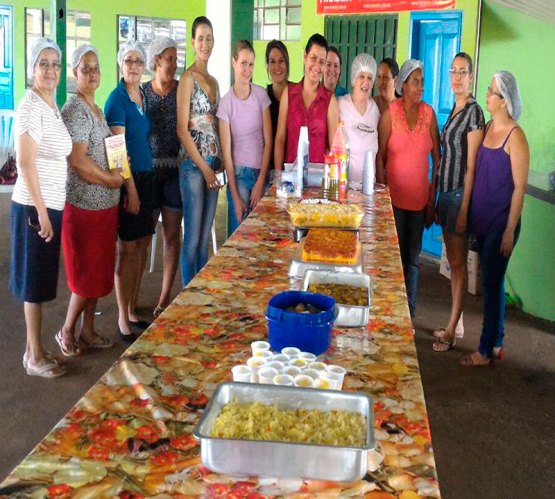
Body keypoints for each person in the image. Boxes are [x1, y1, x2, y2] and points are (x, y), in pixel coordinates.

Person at [10, 38, 71, 377]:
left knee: (40, 279)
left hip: (49, 204)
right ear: (32, 69)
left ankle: (35, 350)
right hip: (35, 207)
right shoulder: (30, 105)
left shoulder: (50, 104)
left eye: (55, 65)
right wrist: (43, 213)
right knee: (33, 282)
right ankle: (34, 356)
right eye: (43, 64)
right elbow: (25, 162)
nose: (50, 70)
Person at [58, 45, 123, 356]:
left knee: (97, 272)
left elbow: (112, 149)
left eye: (96, 67)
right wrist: (112, 180)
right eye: (86, 68)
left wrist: (121, 180)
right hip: (85, 207)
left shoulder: (95, 109)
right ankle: (67, 330)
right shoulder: (74, 110)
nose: (93, 73)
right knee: (85, 275)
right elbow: (79, 161)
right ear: (75, 73)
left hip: (104, 206)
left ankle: (88, 330)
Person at [461, 71, 529, 366]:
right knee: (495, 282)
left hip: (503, 224)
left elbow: (519, 189)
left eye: (491, 92)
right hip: (483, 221)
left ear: (504, 101)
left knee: (489, 285)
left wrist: (509, 231)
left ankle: (485, 351)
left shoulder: (517, 137)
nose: (486, 95)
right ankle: (498, 340)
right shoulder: (488, 127)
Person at [376, 59, 440, 318]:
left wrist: (432, 198)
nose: (420, 86)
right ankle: (391, 312)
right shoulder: (390, 113)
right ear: (403, 84)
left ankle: (409, 315)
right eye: (415, 81)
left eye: (422, 81)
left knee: (412, 262)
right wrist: (381, 199)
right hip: (393, 202)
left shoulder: (429, 114)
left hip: (419, 202)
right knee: (392, 261)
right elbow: (380, 157)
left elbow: (437, 158)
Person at [432, 53, 484, 352]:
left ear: (471, 76)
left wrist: (465, 207)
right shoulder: (455, 108)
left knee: (458, 265)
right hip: (447, 194)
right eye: (453, 71)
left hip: (459, 195)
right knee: (453, 263)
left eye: (463, 72)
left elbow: (473, 165)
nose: (457, 77)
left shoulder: (474, 112)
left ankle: (452, 331)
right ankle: (456, 322)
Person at [105, 40, 154, 342]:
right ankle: (123, 319)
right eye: (129, 60)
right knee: (126, 250)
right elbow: (116, 152)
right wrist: (131, 190)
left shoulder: (141, 95)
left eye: (138, 61)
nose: (134, 65)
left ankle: (133, 310)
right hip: (129, 181)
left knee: (141, 246)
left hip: (146, 175)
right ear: (121, 65)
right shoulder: (117, 99)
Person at [177, 16, 222, 286]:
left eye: (209, 38)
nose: (205, 43)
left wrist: (219, 164)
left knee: (205, 239)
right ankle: (185, 298)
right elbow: (182, 130)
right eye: (201, 38)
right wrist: (205, 169)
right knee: (192, 238)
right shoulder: (187, 78)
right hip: (194, 168)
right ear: (193, 42)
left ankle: (199, 298)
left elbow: (216, 124)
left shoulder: (214, 82)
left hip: (212, 167)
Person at [143, 36, 182, 318]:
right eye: (170, 58)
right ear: (157, 60)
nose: (174, 63)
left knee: (171, 235)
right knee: (143, 237)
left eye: (176, 58)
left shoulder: (182, 90)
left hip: (175, 173)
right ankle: (131, 299)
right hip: (148, 172)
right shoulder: (142, 93)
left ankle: (164, 297)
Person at [218, 40, 271, 235]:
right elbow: (226, 154)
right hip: (238, 175)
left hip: (261, 173)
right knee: (238, 234)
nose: (247, 69)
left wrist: (260, 181)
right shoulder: (226, 104)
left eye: (250, 64)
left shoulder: (260, 95)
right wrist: (234, 196)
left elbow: (268, 141)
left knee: (260, 235)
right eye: (243, 63)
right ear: (234, 62)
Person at [274, 33, 339, 169]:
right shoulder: (289, 93)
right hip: (290, 179)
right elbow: (280, 139)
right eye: (313, 58)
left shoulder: (329, 100)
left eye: (321, 62)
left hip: (318, 181)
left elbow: (334, 147)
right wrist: (279, 176)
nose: (316, 66)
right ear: (305, 57)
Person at [338, 53, 380, 188]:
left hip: (368, 187)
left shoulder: (375, 110)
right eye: (361, 76)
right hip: (344, 187)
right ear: (353, 80)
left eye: (369, 78)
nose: (366, 82)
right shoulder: (341, 105)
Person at [265, 39, 289, 155]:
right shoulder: (263, 97)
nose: (277, 67)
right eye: (273, 62)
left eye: (281, 61)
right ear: (268, 65)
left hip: (294, 165)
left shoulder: (297, 92)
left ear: (287, 63)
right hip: (270, 167)